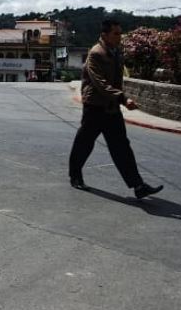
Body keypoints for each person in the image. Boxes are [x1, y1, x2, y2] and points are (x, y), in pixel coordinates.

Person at [69, 19, 163, 199]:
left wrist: (119, 99)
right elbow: (100, 84)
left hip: (111, 107)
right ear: (105, 35)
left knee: (121, 147)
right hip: (95, 106)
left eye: (120, 33)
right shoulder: (96, 53)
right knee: (85, 143)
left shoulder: (117, 52)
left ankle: (138, 185)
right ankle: (75, 175)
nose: (120, 37)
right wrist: (123, 98)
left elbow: (117, 80)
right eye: (116, 33)